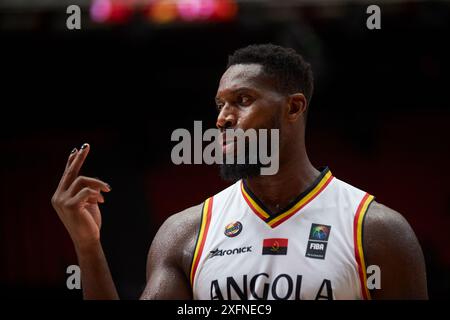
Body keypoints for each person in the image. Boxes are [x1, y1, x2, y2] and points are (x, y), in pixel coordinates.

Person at [51, 44, 427, 300]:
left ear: (294, 108)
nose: (222, 118)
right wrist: (88, 246)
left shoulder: (376, 230)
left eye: (242, 101)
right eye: (220, 104)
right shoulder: (186, 232)